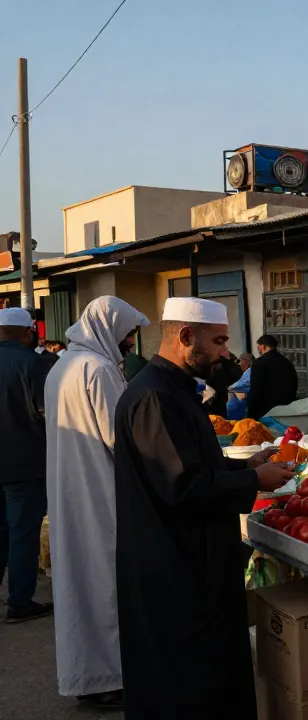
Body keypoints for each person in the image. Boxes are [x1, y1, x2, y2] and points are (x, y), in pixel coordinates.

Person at [113, 297, 294, 719]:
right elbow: (183, 486)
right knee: (187, 686)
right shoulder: (156, 398)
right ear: (185, 336)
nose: (226, 353)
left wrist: (245, 464)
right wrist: (253, 481)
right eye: (219, 341)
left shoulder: (172, 390)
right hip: (174, 571)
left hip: (186, 561)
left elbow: (191, 463)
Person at [44, 297, 149, 711]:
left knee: (78, 587)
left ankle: (85, 677)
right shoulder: (98, 370)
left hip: (70, 491)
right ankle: (110, 678)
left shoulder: (62, 367)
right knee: (105, 584)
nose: (128, 343)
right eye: (126, 334)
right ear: (108, 328)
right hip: (99, 494)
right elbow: (119, 436)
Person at [0, 307, 53, 623]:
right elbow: (47, 411)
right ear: (28, 332)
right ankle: (19, 602)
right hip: (24, 465)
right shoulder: (33, 363)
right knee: (22, 533)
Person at [246, 333, 298, 420]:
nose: (258, 349)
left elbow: (255, 389)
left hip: (266, 412)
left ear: (263, 347)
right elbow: (294, 384)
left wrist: (250, 415)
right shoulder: (286, 362)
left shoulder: (259, 363)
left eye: (258, 347)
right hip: (286, 410)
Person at [202, 346, 243, 417]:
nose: (228, 350)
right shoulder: (230, 364)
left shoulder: (213, 366)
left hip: (217, 406)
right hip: (228, 405)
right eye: (226, 349)